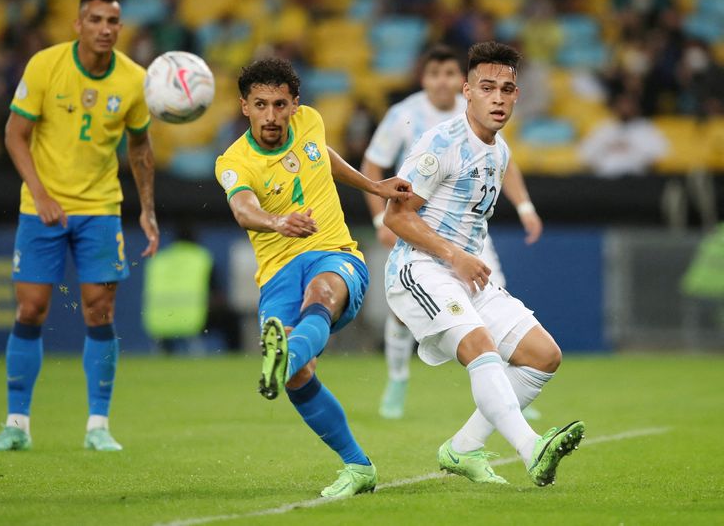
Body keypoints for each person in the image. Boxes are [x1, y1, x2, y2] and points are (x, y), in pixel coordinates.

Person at [383, 41, 584, 486]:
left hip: (465, 275)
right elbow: (396, 216)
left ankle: (463, 448)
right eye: (487, 87)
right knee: (481, 347)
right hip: (420, 269)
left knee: (543, 356)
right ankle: (532, 448)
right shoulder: (439, 143)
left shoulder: (500, 151)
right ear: (467, 92)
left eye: (507, 89)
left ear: (516, 96)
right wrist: (455, 256)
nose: (498, 98)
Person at [215, 57, 410, 498]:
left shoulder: (311, 122)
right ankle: (359, 467)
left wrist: (374, 187)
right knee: (300, 375)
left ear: (295, 104)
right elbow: (242, 207)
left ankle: (280, 354)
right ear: (244, 106)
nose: (271, 116)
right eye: (260, 105)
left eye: (280, 105)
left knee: (319, 292)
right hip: (278, 271)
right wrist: (276, 221)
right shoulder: (233, 161)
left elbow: (324, 157)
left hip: (334, 256)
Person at [0, 0, 159, 452]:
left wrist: (148, 210)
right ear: (77, 24)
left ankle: (98, 426)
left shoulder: (134, 80)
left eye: (113, 21)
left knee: (100, 312)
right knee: (30, 308)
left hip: (100, 209)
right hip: (42, 209)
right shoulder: (45, 65)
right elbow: (15, 135)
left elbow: (140, 147)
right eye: (96, 20)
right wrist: (39, 194)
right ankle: (16, 424)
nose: (105, 29)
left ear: (121, 27)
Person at [360, 44, 543, 419]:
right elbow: (373, 163)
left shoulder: (490, 119)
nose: (440, 82)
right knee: (404, 313)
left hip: (470, 229)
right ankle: (397, 379)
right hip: (418, 221)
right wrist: (382, 220)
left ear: (459, 81)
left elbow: (503, 162)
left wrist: (524, 206)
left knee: (492, 295)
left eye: (447, 73)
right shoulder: (405, 115)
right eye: (433, 74)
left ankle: (510, 389)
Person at [579, 90, 668, 178]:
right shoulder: (605, 128)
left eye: (628, 104)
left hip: (636, 180)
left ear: (636, 107)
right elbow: (586, 154)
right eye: (621, 104)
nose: (624, 108)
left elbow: (659, 154)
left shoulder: (646, 129)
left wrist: (630, 148)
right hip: (605, 179)